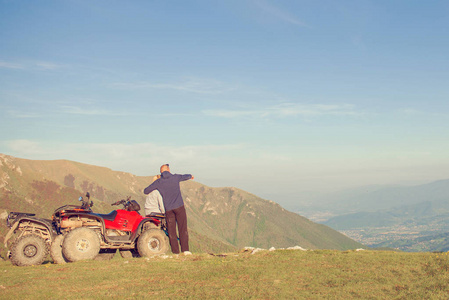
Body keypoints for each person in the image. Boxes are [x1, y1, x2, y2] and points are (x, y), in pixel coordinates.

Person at [143, 164, 194, 254]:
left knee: (171, 232)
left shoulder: (159, 182)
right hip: (179, 207)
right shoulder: (175, 177)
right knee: (182, 228)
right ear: (168, 169)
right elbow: (184, 176)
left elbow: (146, 191)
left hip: (168, 210)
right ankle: (185, 251)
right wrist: (190, 176)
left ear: (161, 172)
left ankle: (176, 252)